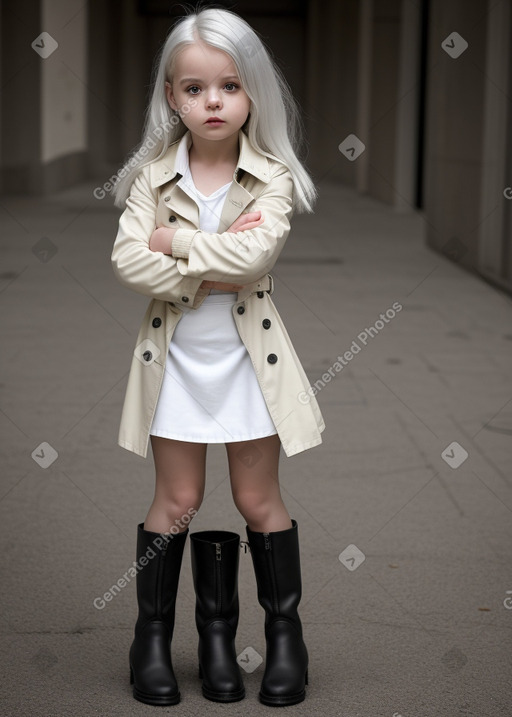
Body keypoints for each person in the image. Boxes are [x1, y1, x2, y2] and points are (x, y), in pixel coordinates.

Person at [110, 6, 325, 707]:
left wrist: (172, 245)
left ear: (251, 92)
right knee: (177, 500)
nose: (213, 101)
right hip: (174, 361)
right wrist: (216, 262)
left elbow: (257, 257)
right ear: (172, 96)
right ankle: (153, 639)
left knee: (258, 500)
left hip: (247, 360)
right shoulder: (150, 176)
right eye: (195, 87)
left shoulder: (270, 177)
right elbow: (126, 261)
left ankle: (284, 637)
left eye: (229, 85)